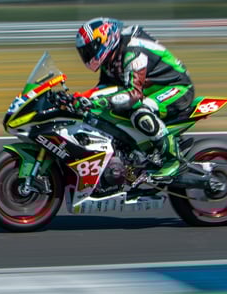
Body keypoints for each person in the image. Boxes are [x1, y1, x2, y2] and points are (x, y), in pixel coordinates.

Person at [73, 17, 194, 180]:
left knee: (140, 112)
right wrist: (80, 98)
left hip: (177, 87)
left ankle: (173, 160)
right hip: (150, 90)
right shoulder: (111, 57)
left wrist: (101, 101)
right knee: (101, 112)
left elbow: (134, 94)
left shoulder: (133, 50)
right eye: (84, 52)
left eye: (90, 49)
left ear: (105, 40)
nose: (87, 55)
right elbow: (105, 88)